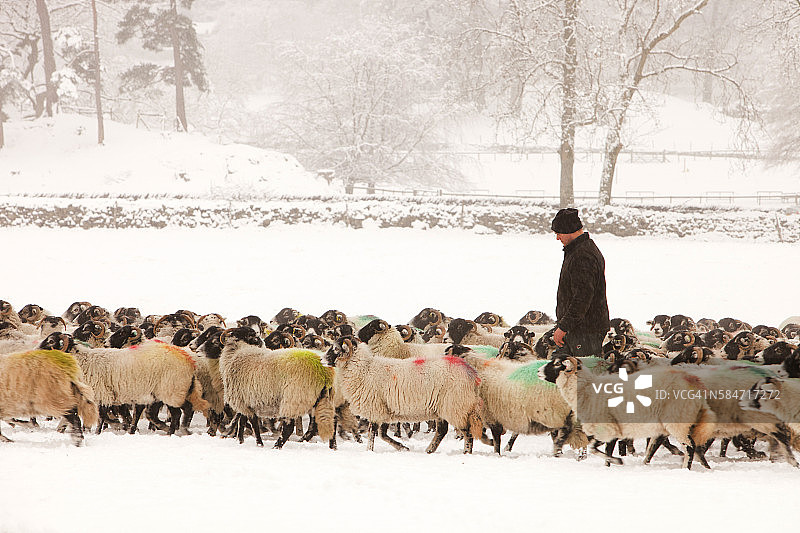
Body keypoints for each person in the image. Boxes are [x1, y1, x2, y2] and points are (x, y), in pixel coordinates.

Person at [551, 208, 609, 357]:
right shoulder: (578, 250)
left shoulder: (582, 256)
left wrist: (564, 327)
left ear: (569, 230)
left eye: (558, 233)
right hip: (579, 329)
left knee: (582, 370)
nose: (557, 238)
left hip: (585, 330)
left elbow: (582, 298)